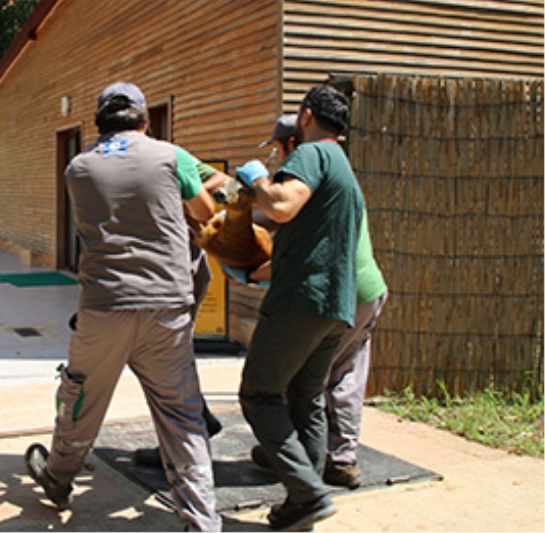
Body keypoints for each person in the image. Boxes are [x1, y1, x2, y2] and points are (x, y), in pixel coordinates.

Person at [25, 81, 222, 532]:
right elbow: (205, 209)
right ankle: (202, 522)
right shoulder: (171, 156)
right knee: (181, 415)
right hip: (166, 308)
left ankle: (57, 479)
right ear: (145, 119)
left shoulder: (77, 167)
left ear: (98, 121)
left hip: (105, 305)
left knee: (81, 398)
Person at [233, 85, 364, 531]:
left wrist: (256, 180)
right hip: (335, 308)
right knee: (305, 397)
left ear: (306, 117)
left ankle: (308, 493)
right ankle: (302, 497)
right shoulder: (344, 168)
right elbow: (308, 236)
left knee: (259, 393)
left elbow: (284, 206)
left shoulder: (312, 154)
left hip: (299, 302)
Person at [245, 114, 390, 490]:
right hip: (361, 292)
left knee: (298, 382)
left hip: (341, 291)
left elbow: (299, 247)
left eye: (279, 149)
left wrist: (247, 271)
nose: (277, 159)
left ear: (294, 144)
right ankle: (322, 462)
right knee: (327, 381)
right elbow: (270, 218)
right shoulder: (332, 179)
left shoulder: (309, 171)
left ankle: (311, 462)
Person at [131, 159, 228, 467]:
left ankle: (181, 447)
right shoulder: (116, 161)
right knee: (167, 360)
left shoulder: (170, 157)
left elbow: (221, 179)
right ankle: (197, 419)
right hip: (161, 275)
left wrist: (185, 191)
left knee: (164, 363)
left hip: (179, 273)